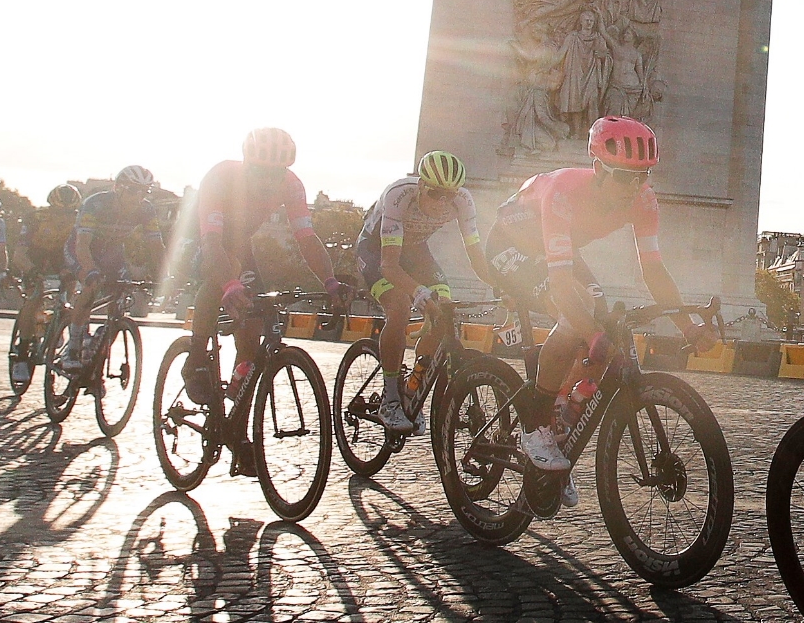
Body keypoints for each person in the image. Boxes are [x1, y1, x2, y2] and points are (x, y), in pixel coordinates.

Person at [482, 116, 710, 488]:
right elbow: (559, 286)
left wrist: (688, 324)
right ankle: (534, 426)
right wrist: (589, 333)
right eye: (624, 176)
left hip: (555, 250)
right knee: (578, 322)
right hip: (511, 247)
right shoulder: (563, 191)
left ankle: (557, 431)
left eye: (643, 175)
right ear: (599, 169)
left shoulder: (644, 201)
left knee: (600, 319)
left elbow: (654, 271)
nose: (634, 187)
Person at [185, 129, 345, 422]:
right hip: (202, 237)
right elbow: (211, 245)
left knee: (252, 331)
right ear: (246, 163)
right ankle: (195, 356)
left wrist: (331, 282)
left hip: (238, 243)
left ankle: (235, 418)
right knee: (226, 271)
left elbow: (307, 239)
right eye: (260, 171)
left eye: (276, 173)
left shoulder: (291, 186)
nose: (269, 180)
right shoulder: (221, 178)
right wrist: (229, 285)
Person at [356, 151, 482, 434]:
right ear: (421, 185)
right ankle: (390, 397)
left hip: (416, 252)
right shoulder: (399, 195)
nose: (443, 202)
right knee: (399, 306)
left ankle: (413, 389)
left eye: (450, 195)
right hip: (378, 251)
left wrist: (503, 286)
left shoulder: (463, 202)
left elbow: (476, 256)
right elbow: (389, 266)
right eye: (436, 193)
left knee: (445, 311)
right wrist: (419, 293)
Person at [58, 166, 165, 371]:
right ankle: (73, 347)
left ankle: (99, 346)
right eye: (133, 190)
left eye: (144, 192)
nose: (138, 197)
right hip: (82, 248)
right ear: (118, 188)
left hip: (112, 253)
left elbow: (156, 246)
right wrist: (90, 271)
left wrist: (166, 275)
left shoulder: (146, 209)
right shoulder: (96, 203)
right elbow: (82, 245)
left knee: (121, 297)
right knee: (91, 287)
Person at [13, 183, 83, 385]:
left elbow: (77, 251)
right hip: (33, 254)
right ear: (50, 209)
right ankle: (22, 354)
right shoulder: (36, 218)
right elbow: (20, 252)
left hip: (58, 255)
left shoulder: (77, 222)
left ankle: (57, 322)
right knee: (35, 296)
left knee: (69, 284)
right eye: (59, 212)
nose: (64, 217)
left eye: (69, 213)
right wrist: (30, 270)